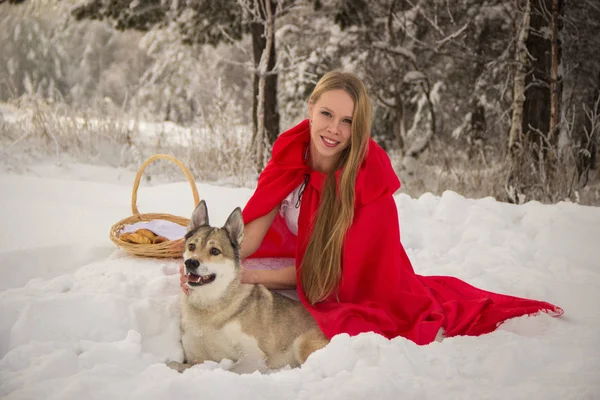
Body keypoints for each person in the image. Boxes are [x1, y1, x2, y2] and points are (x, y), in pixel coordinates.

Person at [181, 70, 563, 345]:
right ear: (311, 108)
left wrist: (246, 278)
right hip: (301, 261)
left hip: (359, 278)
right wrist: (210, 261)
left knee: (350, 320)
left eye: (347, 122)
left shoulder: (367, 178)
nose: (333, 130)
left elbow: (331, 276)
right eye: (327, 114)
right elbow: (250, 234)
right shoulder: (290, 154)